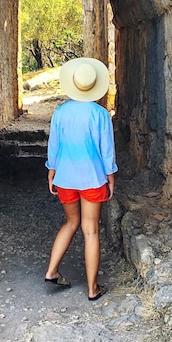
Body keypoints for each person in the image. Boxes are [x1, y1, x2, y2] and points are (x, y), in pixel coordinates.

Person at [44, 57, 117, 300]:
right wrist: (110, 176)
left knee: (70, 223)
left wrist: (52, 170)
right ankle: (92, 289)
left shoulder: (60, 112)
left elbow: (54, 145)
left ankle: (52, 270)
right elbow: (107, 149)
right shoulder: (100, 114)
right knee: (91, 231)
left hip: (65, 177)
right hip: (92, 179)